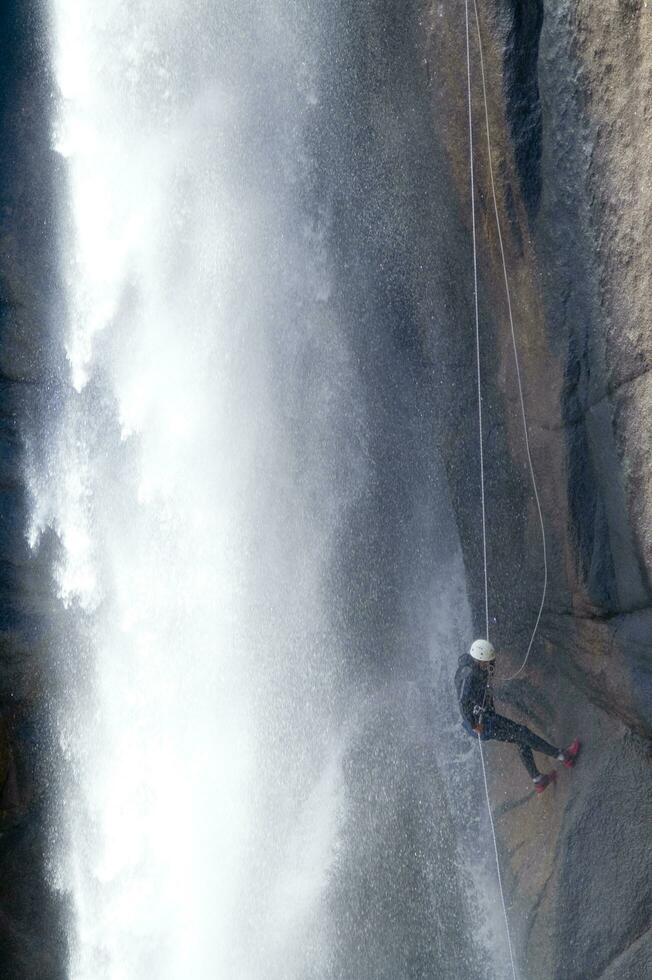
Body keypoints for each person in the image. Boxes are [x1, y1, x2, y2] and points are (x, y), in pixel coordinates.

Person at [455, 638, 579, 794]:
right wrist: (475, 724)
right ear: (479, 660)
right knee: (522, 733)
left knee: (520, 739)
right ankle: (564, 756)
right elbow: (463, 701)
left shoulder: (471, 665)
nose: (490, 665)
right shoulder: (469, 675)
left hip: (483, 718)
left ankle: (538, 780)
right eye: (487, 662)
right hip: (483, 723)